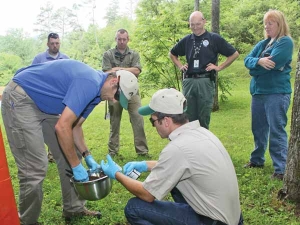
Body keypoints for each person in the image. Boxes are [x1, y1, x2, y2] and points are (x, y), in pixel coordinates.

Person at [1, 59, 138, 225]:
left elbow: (75, 127)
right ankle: (27, 221)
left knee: (73, 151)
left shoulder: (97, 94)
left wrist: (87, 156)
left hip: (42, 104)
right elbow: (62, 127)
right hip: (21, 97)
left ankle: (73, 208)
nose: (115, 101)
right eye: (117, 96)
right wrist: (76, 166)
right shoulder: (90, 83)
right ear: (113, 81)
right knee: (35, 166)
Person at [101, 88, 243, 225]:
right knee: (175, 183)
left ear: (167, 121)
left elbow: (147, 194)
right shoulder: (202, 133)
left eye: (153, 121)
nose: (154, 126)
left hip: (212, 221)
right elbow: (178, 166)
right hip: (232, 218)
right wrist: (144, 164)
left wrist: (117, 174)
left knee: (134, 208)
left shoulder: (177, 148)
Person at [243, 10, 293, 181]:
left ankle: (280, 169)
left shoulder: (285, 42)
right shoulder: (263, 43)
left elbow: (274, 63)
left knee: (276, 129)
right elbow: (247, 60)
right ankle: (257, 160)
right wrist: (258, 61)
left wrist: (256, 67)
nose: (266, 26)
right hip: (258, 93)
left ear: (279, 24)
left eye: (270, 23)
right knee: (258, 128)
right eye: (265, 23)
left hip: (276, 93)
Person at [169, 11, 239, 129]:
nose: (195, 27)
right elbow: (172, 54)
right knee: (188, 117)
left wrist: (219, 67)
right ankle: (190, 145)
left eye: (198, 23)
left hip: (205, 81)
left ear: (204, 21)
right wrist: (180, 66)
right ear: (189, 24)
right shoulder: (187, 40)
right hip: (189, 81)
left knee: (203, 117)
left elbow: (234, 54)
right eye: (192, 24)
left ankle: (204, 144)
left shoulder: (213, 38)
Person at [102, 28, 149, 157]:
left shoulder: (134, 54)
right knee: (115, 121)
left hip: (132, 92)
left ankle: (142, 151)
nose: (122, 41)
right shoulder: (108, 54)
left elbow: (137, 71)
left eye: (124, 39)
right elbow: (106, 72)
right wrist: (125, 71)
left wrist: (118, 69)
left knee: (138, 119)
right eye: (119, 39)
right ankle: (113, 152)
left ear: (128, 39)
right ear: (115, 39)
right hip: (114, 92)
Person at [32, 32, 70, 163]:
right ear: (47, 44)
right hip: (44, 97)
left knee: (60, 123)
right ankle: (43, 154)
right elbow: (33, 76)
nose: (54, 45)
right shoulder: (39, 59)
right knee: (45, 125)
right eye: (52, 43)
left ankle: (54, 153)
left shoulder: (65, 59)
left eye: (57, 43)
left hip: (60, 97)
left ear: (59, 43)